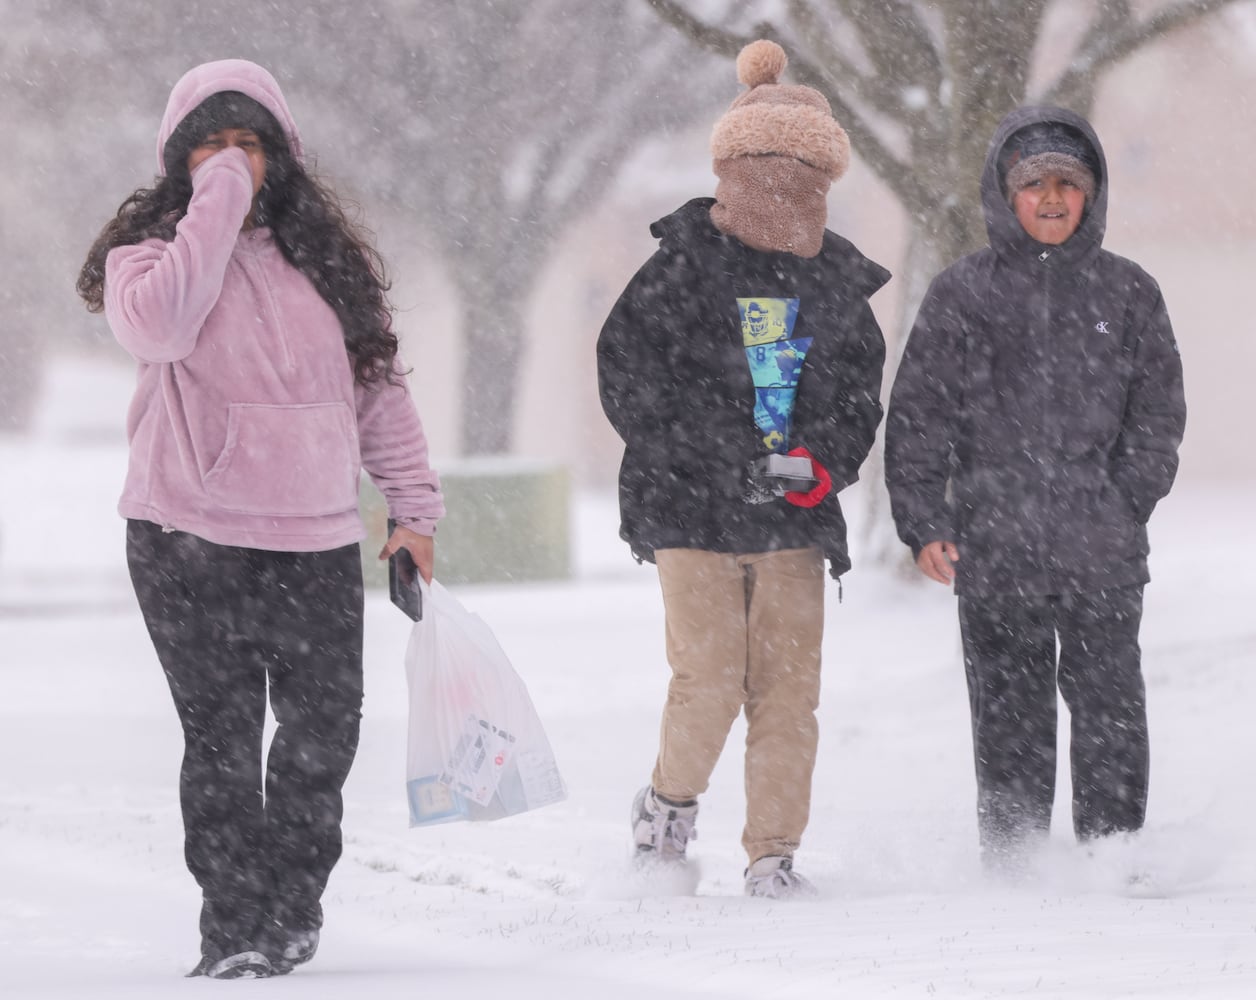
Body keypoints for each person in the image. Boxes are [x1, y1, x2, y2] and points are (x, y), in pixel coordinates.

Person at [77, 60, 444, 978]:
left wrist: (414, 509)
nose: (233, 161)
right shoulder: (149, 262)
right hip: (186, 533)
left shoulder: (327, 267)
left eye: (250, 145)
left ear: (283, 155)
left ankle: (291, 904)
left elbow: (379, 394)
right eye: (213, 143)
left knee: (326, 735)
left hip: (315, 536)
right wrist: (216, 205)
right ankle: (234, 928)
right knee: (224, 740)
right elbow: (160, 328)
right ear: (179, 160)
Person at [597, 40, 888, 898]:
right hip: (690, 513)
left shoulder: (836, 287)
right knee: (711, 677)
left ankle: (773, 854)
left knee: (789, 692)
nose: (779, 189)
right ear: (730, 167)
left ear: (823, 183)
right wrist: (712, 457)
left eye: (800, 174)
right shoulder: (678, 268)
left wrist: (820, 465)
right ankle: (668, 807)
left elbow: (857, 402)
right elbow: (628, 377)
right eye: (762, 168)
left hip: (794, 516)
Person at [884, 106, 1186, 874]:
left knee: (1110, 709)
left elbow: (1157, 415)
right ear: (1004, 194)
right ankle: (1015, 864)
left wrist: (1124, 502)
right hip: (995, 547)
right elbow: (918, 417)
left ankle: (1112, 856)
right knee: (1009, 717)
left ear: (1092, 196)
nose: (1052, 198)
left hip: (1102, 551)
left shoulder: (1130, 293)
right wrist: (924, 522)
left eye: (1068, 184)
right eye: (1034, 185)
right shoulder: (962, 294)